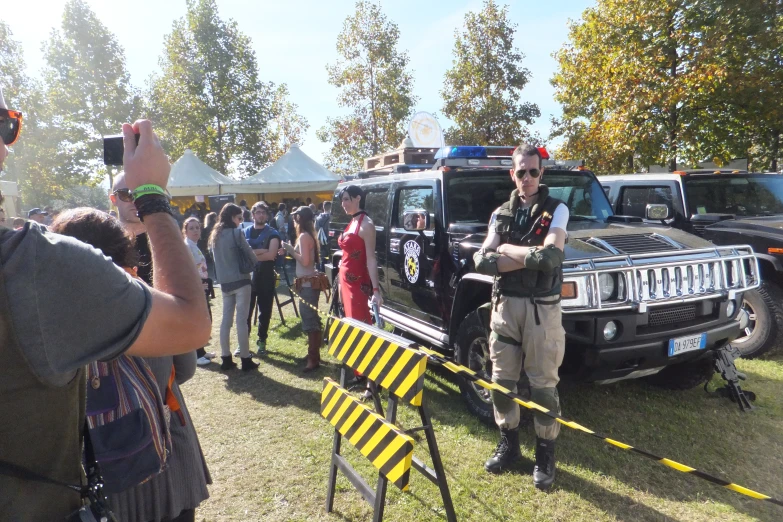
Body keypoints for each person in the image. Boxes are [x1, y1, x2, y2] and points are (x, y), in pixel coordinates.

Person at [0, 83, 210, 519]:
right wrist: (153, 193)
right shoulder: (40, 268)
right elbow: (190, 330)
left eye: (10, 126)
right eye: (6, 126)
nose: (6, 143)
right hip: (137, 473)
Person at [51, 208, 212, 522]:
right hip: (166, 451)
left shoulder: (51, 318)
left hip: (102, 469)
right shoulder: (147, 299)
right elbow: (187, 368)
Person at [473, 144, 570, 490]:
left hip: (541, 310)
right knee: (502, 382)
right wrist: (528, 254)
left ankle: (545, 454)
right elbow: (480, 261)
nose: (526, 178)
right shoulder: (501, 213)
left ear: (541, 173)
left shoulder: (557, 210)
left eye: (532, 171)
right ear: (511, 174)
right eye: (520, 172)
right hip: (504, 308)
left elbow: (550, 259)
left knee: (543, 386)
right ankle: (509, 445)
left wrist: (506, 250)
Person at [209, 203, 259, 372]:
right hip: (241, 279)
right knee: (241, 321)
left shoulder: (214, 235)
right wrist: (255, 264)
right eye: (239, 218)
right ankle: (245, 358)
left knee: (226, 321)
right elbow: (250, 253)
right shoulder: (236, 233)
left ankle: (226, 357)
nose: (241, 221)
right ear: (232, 217)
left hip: (224, 282)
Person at [280, 206, 322, 371]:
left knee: (310, 320)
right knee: (312, 319)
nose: (293, 220)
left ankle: (313, 359)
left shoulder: (304, 236)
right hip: (308, 283)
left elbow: (304, 261)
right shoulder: (307, 235)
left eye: (295, 217)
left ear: (300, 218)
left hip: (308, 284)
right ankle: (314, 355)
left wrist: (290, 249)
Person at [337, 185, 382, 323]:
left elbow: (371, 259)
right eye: (342, 200)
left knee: (359, 323)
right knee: (350, 321)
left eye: (346, 200)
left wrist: (375, 291)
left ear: (358, 199)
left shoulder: (366, 224)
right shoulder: (353, 221)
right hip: (345, 279)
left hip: (357, 283)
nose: (343, 204)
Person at [244, 202, 280, 356]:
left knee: (265, 311)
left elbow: (271, 255)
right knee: (246, 311)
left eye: (263, 213)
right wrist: (262, 251)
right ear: (253, 215)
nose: (261, 215)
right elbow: (242, 254)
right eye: (258, 212)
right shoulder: (244, 232)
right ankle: (243, 343)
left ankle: (262, 341)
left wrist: (251, 252)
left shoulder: (273, 233)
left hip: (266, 276)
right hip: (247, 277)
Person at [183, 217, 216, 366]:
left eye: (197, 227)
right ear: (185, 231)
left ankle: (202, 351)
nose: (196, 230)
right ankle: (196, 354)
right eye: (192, 228)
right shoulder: (187, 246)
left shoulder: (193, 245)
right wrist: (197, 285)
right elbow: (188, 270)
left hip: (201, 286)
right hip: (194, 288)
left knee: (204, 318)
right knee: (197, 320)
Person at [316, 201, 332, 271]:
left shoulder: (318, 218)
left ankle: (321, 272)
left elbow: (315, 229)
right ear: (330, 207)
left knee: (322, 258)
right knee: (330, 259)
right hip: (330, 240)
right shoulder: (331, 218)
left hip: (320, 240)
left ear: (323, 207)